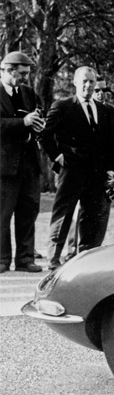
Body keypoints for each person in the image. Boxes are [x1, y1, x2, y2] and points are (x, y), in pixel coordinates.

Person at [39, 66, 114, 269]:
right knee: (63, 214)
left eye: (91, 82)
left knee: (91, 215)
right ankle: (53, 259)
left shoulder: (106, 112)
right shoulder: (63, 106)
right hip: (72, 170)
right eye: (84, 81)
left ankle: (84, 259)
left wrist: (112, 169)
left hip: (97, 172)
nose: (88, 85)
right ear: (75, 82)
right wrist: (58, 157)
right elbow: (45, 134)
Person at [0, 51, 45, 273]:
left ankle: (25, 259)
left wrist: (38, 124)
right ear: (8, 71)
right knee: (2, 214)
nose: (26, 78)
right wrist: (22, 122)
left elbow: (37, 113)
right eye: (23, 73)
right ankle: (1, 260)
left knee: (29, 211)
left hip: (28, 163)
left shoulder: (28, 92)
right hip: (4, 165)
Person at [66, 75, 114, 259]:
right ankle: (71, 251)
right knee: (75, 213)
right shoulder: (73, 109)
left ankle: (91, 252)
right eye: (97, 90)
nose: (100, 94)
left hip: (101, 172)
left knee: (99, 212)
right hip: (78, 171)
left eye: (103, 90)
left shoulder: (110, 113)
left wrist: (112, 169)